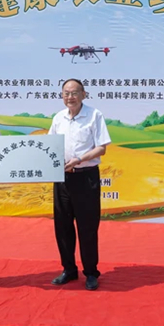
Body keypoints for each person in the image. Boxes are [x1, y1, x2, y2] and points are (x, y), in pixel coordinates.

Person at [48, 78, 111, 290]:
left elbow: (101, 148)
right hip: (62, 178)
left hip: (86, 177)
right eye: (66, 93)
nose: (70, 97)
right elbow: (50, 145)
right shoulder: (58, 118)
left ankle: (91, 272)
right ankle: (68, 269)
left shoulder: (94, 115)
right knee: (63, 226)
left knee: (87, 227)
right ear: (61, 95)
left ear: (84, 94)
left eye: (74, 93)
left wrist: (79, 159)